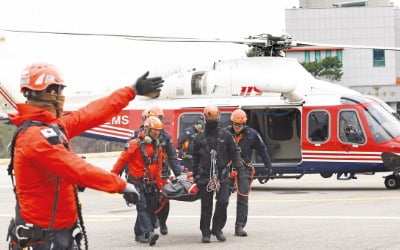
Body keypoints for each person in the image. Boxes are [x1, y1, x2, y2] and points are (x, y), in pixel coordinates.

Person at [6, 63, 163, 249]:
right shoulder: (34, 138)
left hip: (57, 236)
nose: (62, 97)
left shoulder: (52, 128)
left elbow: (92, 113)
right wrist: (120, 185)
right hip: (42, 241)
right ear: (52, 93)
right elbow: (75, 168)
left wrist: (131, 91)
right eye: (60, 91)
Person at [192, 104, 245, 243]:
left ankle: (217, 228)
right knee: (206, 206)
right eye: (211, 117)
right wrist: (195, 176)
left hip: (222, 175)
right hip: (204, 176)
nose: (213, 119)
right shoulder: (198, 138)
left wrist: (240, 170)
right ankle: (205, 232)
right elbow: (195, 159)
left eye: (215, 117)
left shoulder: (226, 135)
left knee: (223, 202)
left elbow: (235, 153)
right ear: (205, 117)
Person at [111, 116, 164, 246]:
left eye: (158, 131)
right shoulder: (134, 144)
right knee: (142, 207)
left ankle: (139, 233)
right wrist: (112, 176)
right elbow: (122, 161)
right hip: (136, 183)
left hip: (150, 184)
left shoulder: (158, 148)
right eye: (154, 131)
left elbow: (158, 169)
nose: (156, 133)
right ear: (147, 130)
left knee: (150, 208)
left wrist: (160, 187)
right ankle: (149, 233)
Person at [129, 105, 181, 235]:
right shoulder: (137, 137)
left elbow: (173, 158)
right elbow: (127, 157)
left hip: (160, 174)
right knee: (143, 204)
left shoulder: (165, 137)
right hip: (142, 176)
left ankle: (161, 222)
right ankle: (145, 231)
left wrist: (181, 176)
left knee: (163, 199)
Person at [227, 108, 272, 237]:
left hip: (244, 169)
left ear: (244, 124)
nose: (237, 127)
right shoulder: (225, 134)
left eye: (239, 124)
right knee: (222, 198)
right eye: (235, 124)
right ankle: (218, 227)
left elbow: (262, 149)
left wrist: (268, 166)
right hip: (228, 169)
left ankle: (239, 226)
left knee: (242, 197)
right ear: (232, 123)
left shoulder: (252, 134)